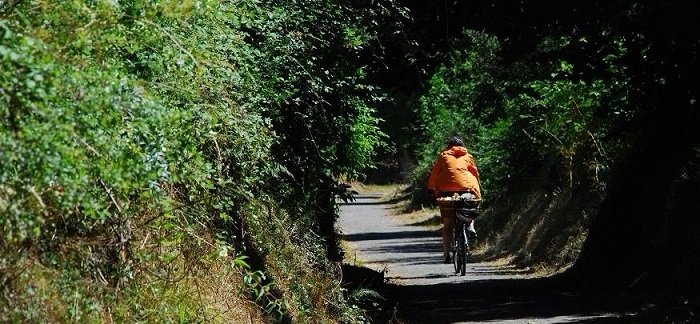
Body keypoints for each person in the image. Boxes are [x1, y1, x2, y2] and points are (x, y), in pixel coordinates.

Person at [427, 136, 481, 263]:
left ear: (449, 146)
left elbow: (434, 173)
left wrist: (430, 188)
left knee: (448, 224)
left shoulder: (443, 156)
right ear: (462, 146)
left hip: (446, 191)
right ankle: (471, 226)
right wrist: (477, 187)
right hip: (465, 188)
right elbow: (475, 173)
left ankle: (446, 254)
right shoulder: (468, 156)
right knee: (470, 206)